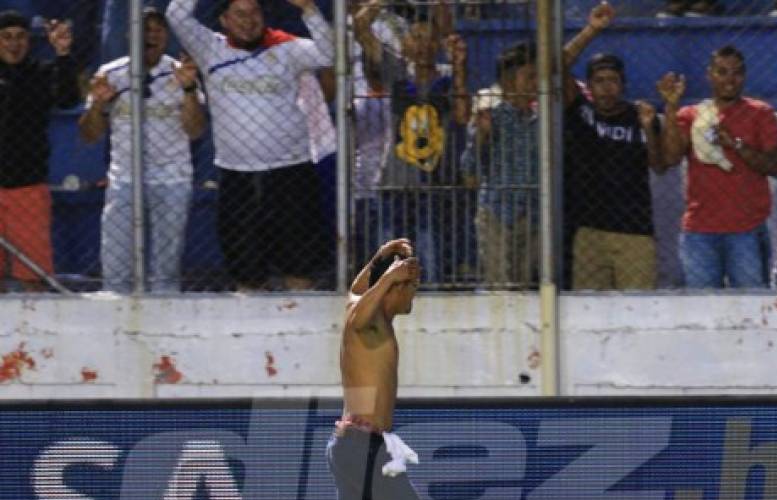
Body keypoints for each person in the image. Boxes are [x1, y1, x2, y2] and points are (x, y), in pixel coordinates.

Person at [268, 238, 428, 500]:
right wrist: (389, 274)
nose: (414, 295)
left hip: (350, 444)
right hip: (361, 445)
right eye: (413, 286)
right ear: (396, 288)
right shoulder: (367, 322)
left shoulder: (366, 310)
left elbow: (356, 291)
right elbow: (361, 308)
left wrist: (378, 259)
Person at [166, 0, 334, 291]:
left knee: (299, 268)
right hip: (236, 175)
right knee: (246, 275)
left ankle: (300, 331)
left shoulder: (285, 47)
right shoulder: (208, 47)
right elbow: (176, 15)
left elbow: (329, 54)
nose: (248, 20)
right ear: (224, 20)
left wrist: (309, 10)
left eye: (255, 12)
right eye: (239, 14)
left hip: (291, 173)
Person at [79, 8, 206, 294]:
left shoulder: (180, 73)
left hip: (172, 176)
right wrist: (99, 104)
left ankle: (165, 322)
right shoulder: (110, 74)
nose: (151, 36)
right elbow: (89, 135)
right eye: (144, 30)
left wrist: (187, 91)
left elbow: (196, 130)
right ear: (130, 35)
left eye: (157, 31)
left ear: (166, 37)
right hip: (124, 177)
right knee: (116, 268)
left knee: (166, 269)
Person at [355, 3, 470, 285]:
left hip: (433, 184)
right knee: (389, 261)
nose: (423, 46)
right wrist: (377, 4)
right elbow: (360, 27)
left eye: (430, 39)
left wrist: (460, 67)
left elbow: (462, 115)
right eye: (416, 38)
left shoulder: (446, 77)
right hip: (394, 181)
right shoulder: (397, 73)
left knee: (429, 258)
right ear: (404, 43)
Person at [659, 45, 777, 288]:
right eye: (722, 72)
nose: (730, 79)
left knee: (752, 307)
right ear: (710, 75)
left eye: (736, 73)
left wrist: (736, 144)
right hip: (700, 230)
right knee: (703, 310)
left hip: (746, 228)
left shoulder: (760, 113)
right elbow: (671, 158)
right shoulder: (690, 115)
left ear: (745, 75)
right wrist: (671, 107)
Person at [561, 3, 667, 290]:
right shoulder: (581, 112)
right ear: (589, 86)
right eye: (599, 81)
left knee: (639, 308)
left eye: (613, 81)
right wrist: (591, 30)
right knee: (588, 311)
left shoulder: (640, 115)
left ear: (623, 84)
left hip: (635, 232)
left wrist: (649, 129)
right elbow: (554, 67)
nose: (607, 87)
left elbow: (659, 166)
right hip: (589, 231)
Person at [0, 10, 78, 292]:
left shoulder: (41, 72)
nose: (13, 43)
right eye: (6, 37)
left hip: (28, 186)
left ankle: (38, 333)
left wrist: (63, 54)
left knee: (33, 276)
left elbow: (69, 100)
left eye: (20, 37)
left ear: (29, 41)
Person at [461, 41, 539, 286]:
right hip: (496, 211)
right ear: (508, 81)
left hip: (531, 212)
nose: (537, 84)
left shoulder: (540, 120)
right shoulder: (491, 116)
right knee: (498, 285)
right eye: (530, 77)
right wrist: (481, 136)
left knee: (525, 284)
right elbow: (469, 173)